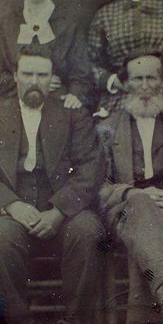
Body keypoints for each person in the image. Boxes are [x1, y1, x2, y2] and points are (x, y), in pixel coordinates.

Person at [0, 46, 105, 324]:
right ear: (15, 75)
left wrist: (59, 211)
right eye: (28, 74)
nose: (35, 81)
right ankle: (17, 319)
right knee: (0, 237)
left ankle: (75, 321)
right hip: (12, 211)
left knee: (88, 232)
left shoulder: (72, 114)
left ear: (52, 78)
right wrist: (11, 204)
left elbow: (91, 167)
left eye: (42, 75)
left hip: (63, 211)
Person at [98, 50, 163, 324]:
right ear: (126, 83)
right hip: (124, 212)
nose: (144, 86)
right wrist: (133, 194)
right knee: (143, 220)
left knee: (145, 243)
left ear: (162, 82)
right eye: (137, 79)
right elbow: (99, 187)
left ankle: (162, 300)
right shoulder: (106, 129)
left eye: (151, 78)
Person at [0, 0, 92, 108]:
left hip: (57, 103)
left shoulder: (69, 24)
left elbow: (81, 75)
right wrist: (33, 85)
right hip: (13, 101)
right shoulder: (5, 24)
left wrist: (75, 94)